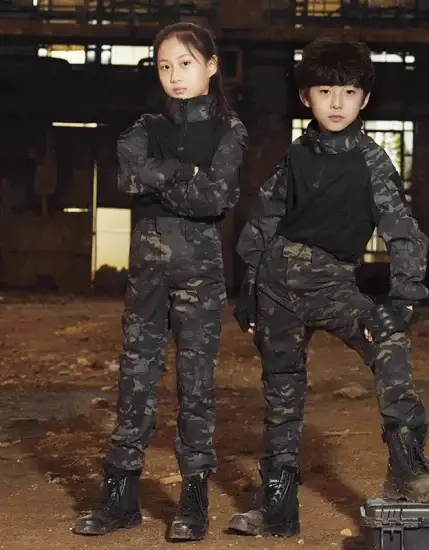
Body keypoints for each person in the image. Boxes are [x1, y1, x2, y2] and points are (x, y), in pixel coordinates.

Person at [229, 37, 429, 538]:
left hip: (333, 286)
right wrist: (248, 289)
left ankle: (407, 469)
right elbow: (262, 222)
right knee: (282, 395)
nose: (336, 103)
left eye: (348, 92)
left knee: (390, 345)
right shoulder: (293, 158)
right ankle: (276, 506)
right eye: (325, 91)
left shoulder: (372, 163)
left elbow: (403, 233)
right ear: (305, 96)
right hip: (276, 287)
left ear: (364, 99)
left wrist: (403, 301)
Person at [73, 21, 247, 541]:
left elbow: (217, 199)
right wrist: (185, 172)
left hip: (200, 275)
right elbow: (130, 177)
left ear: (211, 67)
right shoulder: (143, 129)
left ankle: (193, 501)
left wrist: (162, 178)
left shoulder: (229, 131)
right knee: (135, 380)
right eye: (165, 65)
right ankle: (119, 498)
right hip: (147, 275)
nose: (175, 75)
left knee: (196, 386)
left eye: (186, 64)